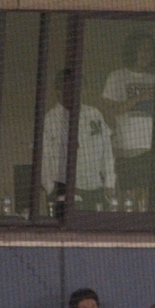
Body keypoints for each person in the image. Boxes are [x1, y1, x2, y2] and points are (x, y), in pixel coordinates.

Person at [41, 68, 117, 214]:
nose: (78, 91)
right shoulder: (51, 119)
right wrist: (51, 189)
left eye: (81, 87)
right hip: (67, 190)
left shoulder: (94, 114)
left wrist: (109, 182)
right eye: (72, 87)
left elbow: (107, 151)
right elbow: (44, 158)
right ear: (59, 90)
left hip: (96, 189)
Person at [102, 33, 155, 206]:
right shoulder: (117, 77)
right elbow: (110, 111)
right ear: (132, 51)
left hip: (151, 144)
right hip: (129, 146)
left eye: (150, 50)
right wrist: (139, 98)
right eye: (142, 49)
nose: (146, 54)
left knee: (150, 198)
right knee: (129, 198)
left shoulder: (154, 78)